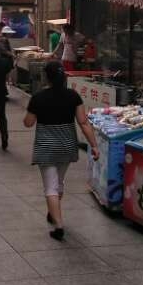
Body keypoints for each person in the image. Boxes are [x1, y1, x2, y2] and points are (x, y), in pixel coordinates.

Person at [23, 60, 99, 240]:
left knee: (50, 187)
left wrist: (31, 113)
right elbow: (83, 122)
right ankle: (53, 211)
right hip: (67, 146)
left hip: (46, 147)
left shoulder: (38, 97)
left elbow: (28, 123)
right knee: (59, 181)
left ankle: (58, 226)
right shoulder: (73, 96)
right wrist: (94, 145)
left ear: (46, 77)